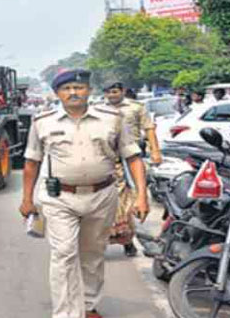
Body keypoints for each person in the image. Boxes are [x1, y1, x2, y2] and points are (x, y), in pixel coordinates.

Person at [20, 70, 149, 318]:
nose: (73, 93)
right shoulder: (42, 121)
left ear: (88, 90)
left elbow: (133, 157)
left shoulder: (112, 118)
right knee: (64, 254)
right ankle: (66, 314)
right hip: (60, 198)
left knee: (93, 254)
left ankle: (88, 306)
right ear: (57, 93)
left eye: (79, 87)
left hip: (102, 196)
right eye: (67, 89)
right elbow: (31, 162)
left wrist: (141, 196)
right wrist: (27, 199)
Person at [102, 81, 161, 257]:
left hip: (132, 157)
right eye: (108, 92)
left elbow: (149, 129)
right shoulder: (98, 111)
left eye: (114, 91)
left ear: (123, 91)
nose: (112, 95)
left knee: (132, 198)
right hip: (110, 159)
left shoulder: (136, 107)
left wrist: (155, 151)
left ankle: (129, 241)